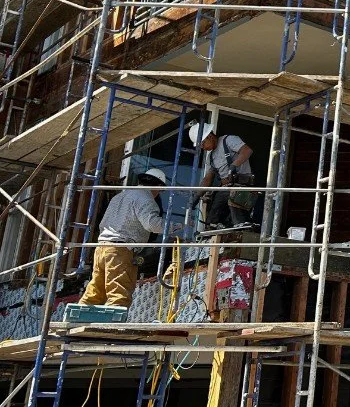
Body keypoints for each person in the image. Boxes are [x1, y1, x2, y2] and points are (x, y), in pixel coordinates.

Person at [80, 168, 173, 308]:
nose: (158, 194)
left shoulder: (120, 197)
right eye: (160, 190)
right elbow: (152, 225)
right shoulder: (146, 198)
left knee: (95, 293)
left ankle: (73, 320)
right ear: (158, 186)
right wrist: (176, 227)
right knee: (119, 296)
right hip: (120, 250)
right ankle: (111, 329)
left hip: (102, 248)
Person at [190, 121, 258, 228]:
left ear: (210, 136)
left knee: (237, 217)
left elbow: (247, 151)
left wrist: (234, 166)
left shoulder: (228, 140)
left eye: (203, 143)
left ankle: (240, 226)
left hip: (242, 186)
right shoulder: (211, 157)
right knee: (213, 219)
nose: (203, 147)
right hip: (226, 189)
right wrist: (197, 196)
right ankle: (213, 233)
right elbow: (208, 179)